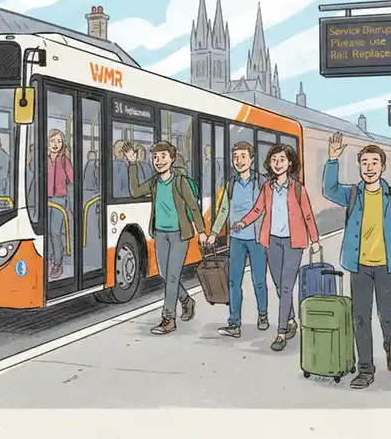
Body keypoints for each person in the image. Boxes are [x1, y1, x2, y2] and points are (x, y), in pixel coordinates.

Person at [322, 133, 391, 390]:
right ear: (359, 166)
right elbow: (329, 190)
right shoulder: (353, 194)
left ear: (382, 167)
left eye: (374, 162)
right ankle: (366, 369)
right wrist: (332, 160)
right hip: (360, 267)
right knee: (361, 318)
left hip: (387, 268)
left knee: (388, 318)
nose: (369, 167)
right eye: (364, 162)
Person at [233, 143, 320, 352]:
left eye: (282, 160)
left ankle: (281, 332)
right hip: (271, 241)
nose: (277, 164)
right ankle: (290, 320)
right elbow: (257, 209)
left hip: (293, 243)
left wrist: (315, 240)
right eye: (274, 160)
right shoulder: (267, 188)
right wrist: (244, 222)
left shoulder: (298, 189)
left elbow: (307, 214)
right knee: (280, 287)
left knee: (287, 286)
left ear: (290, 163)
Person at [125, 141, 205, 335]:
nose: (159, 161)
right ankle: (187, 301)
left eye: (163, 157)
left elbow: (193, 206)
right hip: (160, 233)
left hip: (180, 234)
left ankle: (168, 318)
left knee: (171, 276)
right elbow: (135, 191)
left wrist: (201, 231)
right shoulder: (154, 182)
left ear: (172, 159)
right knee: (164, 273)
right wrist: (133, 164)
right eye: (155, 157)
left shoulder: (180, 181)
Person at [208, 141, 269, 337]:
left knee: (258, 280)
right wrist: (214, 233)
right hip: (236, 240)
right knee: (234, 281)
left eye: (243, 156)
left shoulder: (261, 183)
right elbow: (224, 210)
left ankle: (263, 314)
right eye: (235, 157)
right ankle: (234, 322)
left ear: (252, 159)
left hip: (257, 239)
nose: (239, 161)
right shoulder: (230, 185)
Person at [46, 129, 74, 279]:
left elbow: (72, 179)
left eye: (58, 141)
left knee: (55, 233)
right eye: (52, 141)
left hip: (59, 200)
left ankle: (58, 263)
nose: (55, 144)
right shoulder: (42, 159)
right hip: (44, 200)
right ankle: (53, 255)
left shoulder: (64, 160)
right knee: (46, 231)